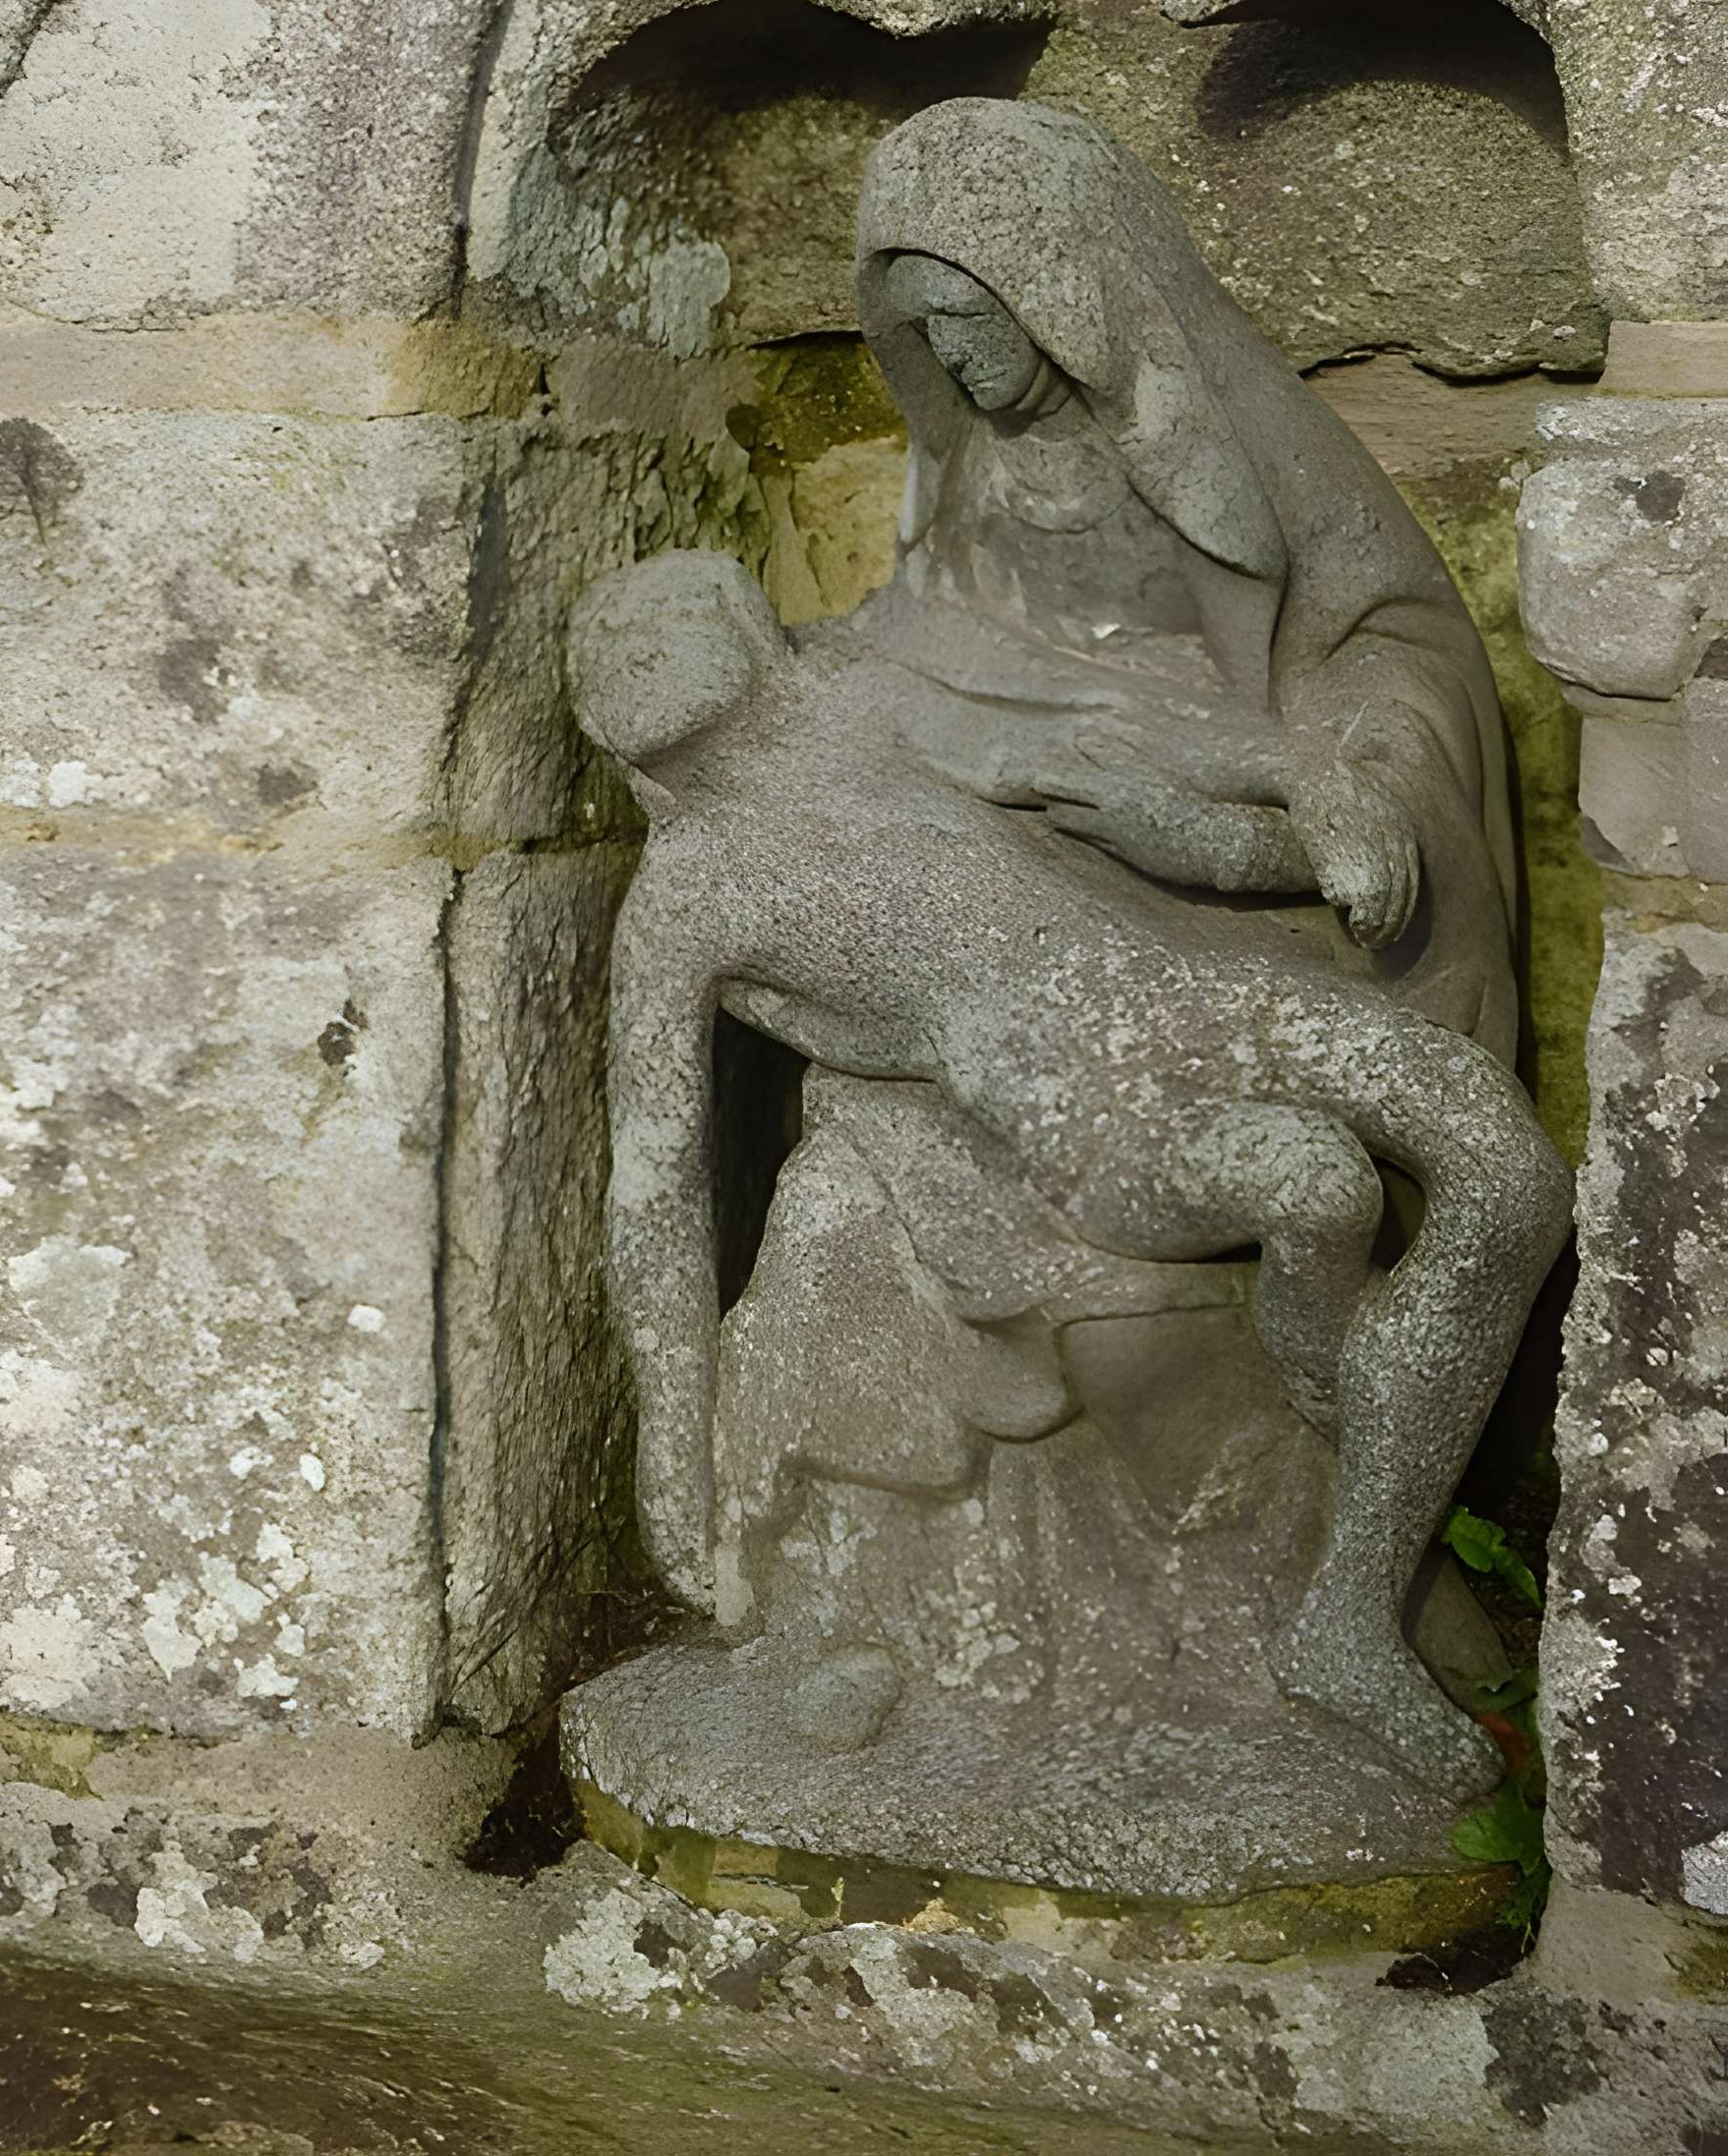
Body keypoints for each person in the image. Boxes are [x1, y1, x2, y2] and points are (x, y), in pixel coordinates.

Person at [568, 551, 1571, 1796]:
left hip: (1184, 996)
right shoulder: (691, 897)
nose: (727, 752)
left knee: (1507, 1168)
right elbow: (651, 1184)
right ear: (646, 756)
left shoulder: (871, 705)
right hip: (1072, 1105)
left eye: (727, 711)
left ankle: (1349, 1603)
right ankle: (1335, 1494)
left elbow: (1130, 732)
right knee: (1311, 1190)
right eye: (690, 743)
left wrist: (1308, 788)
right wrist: (674, 1434)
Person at [848, 97, 1520, 1060]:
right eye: (922, 329)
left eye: (964, 314)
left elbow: (1394, 670)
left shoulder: (1226, 451)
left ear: (1052, 290)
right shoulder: (978, 461)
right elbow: (939, 628)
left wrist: (1232, 840)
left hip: (1214, 795)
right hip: (1055, 773)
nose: (949, 353)